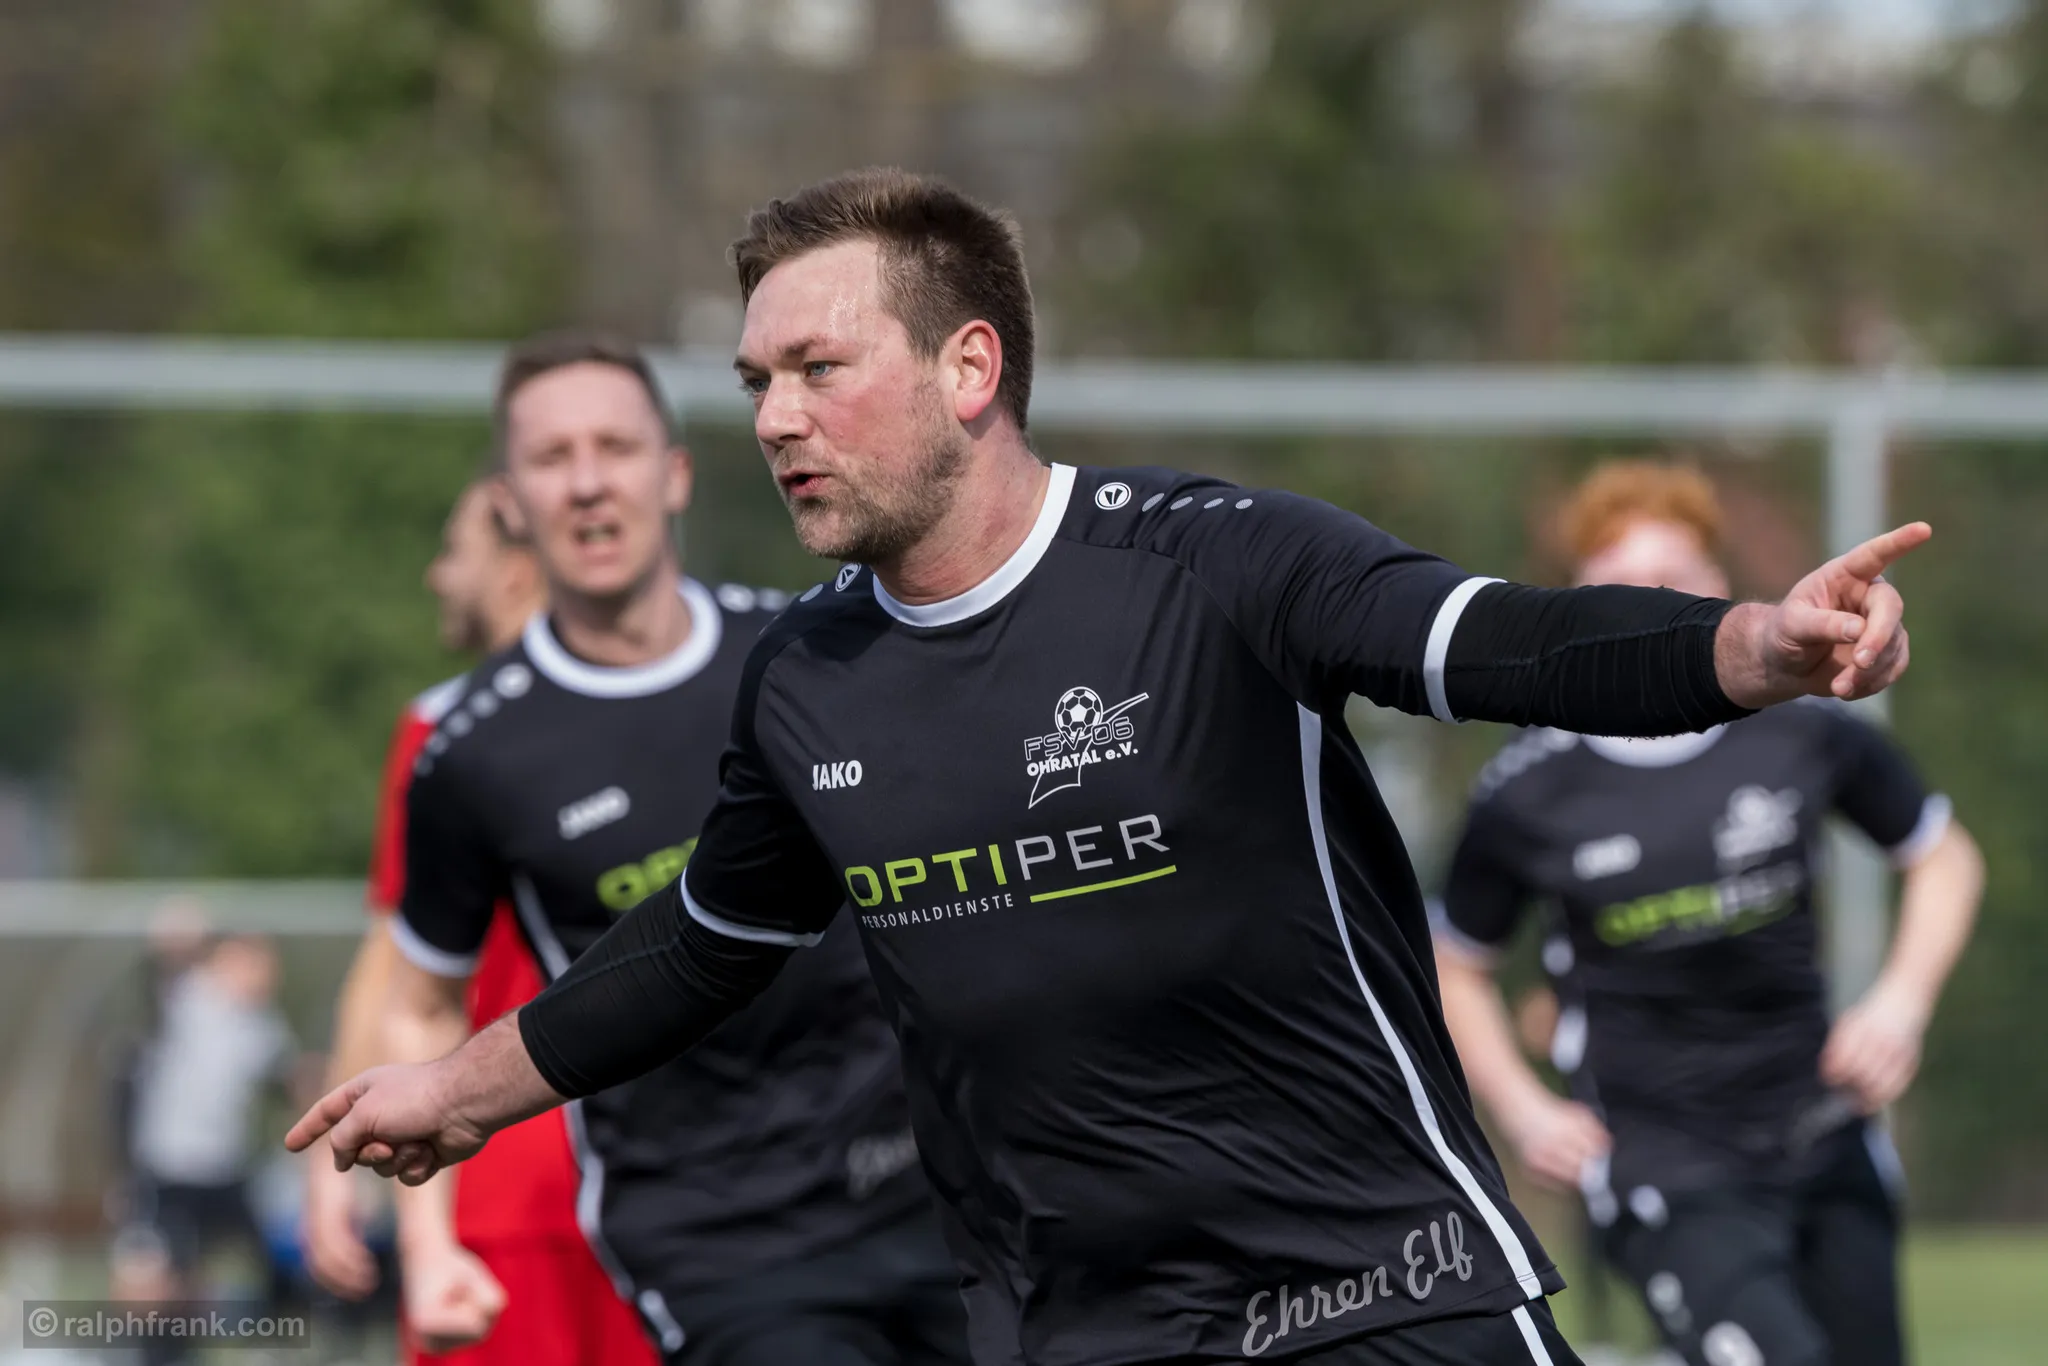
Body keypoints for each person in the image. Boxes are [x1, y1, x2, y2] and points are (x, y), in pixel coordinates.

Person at [290, 169, 1929, 1366]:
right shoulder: (801, 678)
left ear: (969, 369)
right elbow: (699, 944)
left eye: (817, 370)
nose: (775, 419)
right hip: (1081, 1328)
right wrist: (457, 1093)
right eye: (756, 383)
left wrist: (1753, 645)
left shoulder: (1214, 563)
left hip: (1381, 1284)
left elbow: (1505, 640)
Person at [366, 328, 963, 1366]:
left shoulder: (812, 655)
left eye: (616, 447)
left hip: (938, 1184)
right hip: (717, 1239)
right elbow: (419, 1001)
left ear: (674, 473)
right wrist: (427, 1246)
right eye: (552, 458)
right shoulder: (469, 751)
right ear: (508, 504)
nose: (588, 483)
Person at [1431, 462, 1982, 1366]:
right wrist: (1524, 1111)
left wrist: (1899, 1006)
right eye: (1620, 584)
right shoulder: (1529, 787)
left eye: (1672, 577)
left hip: (1823, 1135)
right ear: (1575, 603)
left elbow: (1942, 855)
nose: (1648, 603)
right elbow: (1456, 962)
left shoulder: (1800, 728)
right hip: (1663, 1167)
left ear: (1718, 587)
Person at [302, 479, 653, 1366]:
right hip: (664, 1172)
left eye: (454, 552)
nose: (436, 575)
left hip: (503, 1177)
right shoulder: (665, 707)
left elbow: (392, 970)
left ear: (514, 568)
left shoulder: (446, 729)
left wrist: (331, 1166)